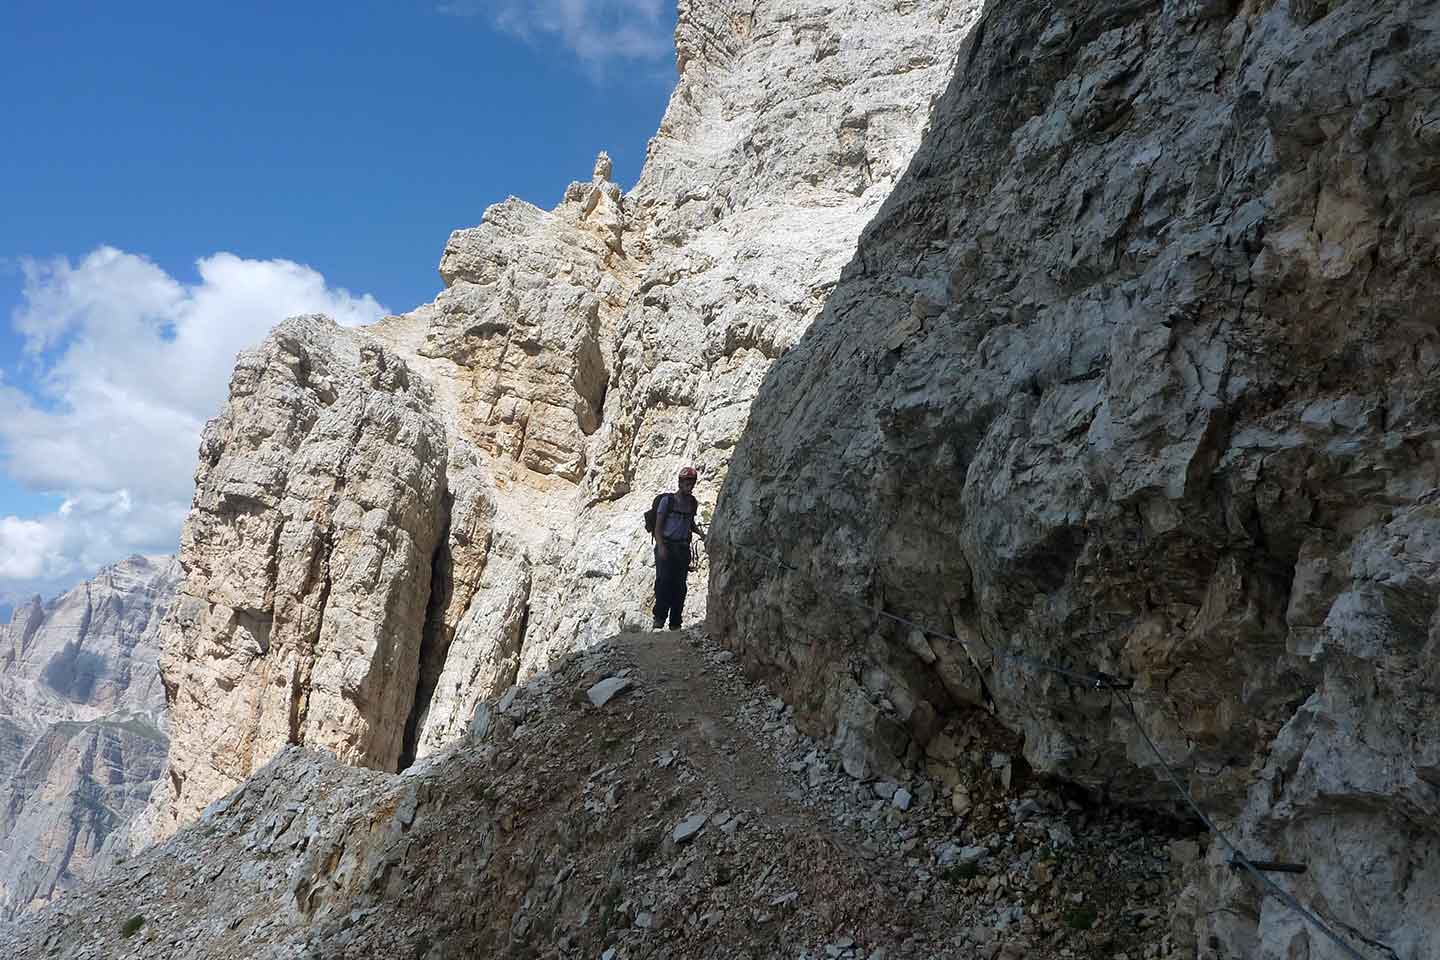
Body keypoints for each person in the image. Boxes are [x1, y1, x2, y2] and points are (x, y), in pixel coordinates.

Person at [653, 466, 706, 630]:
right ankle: (660, 618)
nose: (689, 485)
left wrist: (700, 533)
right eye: (686, 481)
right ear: (680, 482)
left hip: (682, 547)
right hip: (667, 545)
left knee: (680, 585)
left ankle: (675, 622)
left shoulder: (692, 503)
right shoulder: (667, 502)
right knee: (664, 582)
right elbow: (658, 526)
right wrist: (661, 546)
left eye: (691, 482)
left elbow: (689, 522)